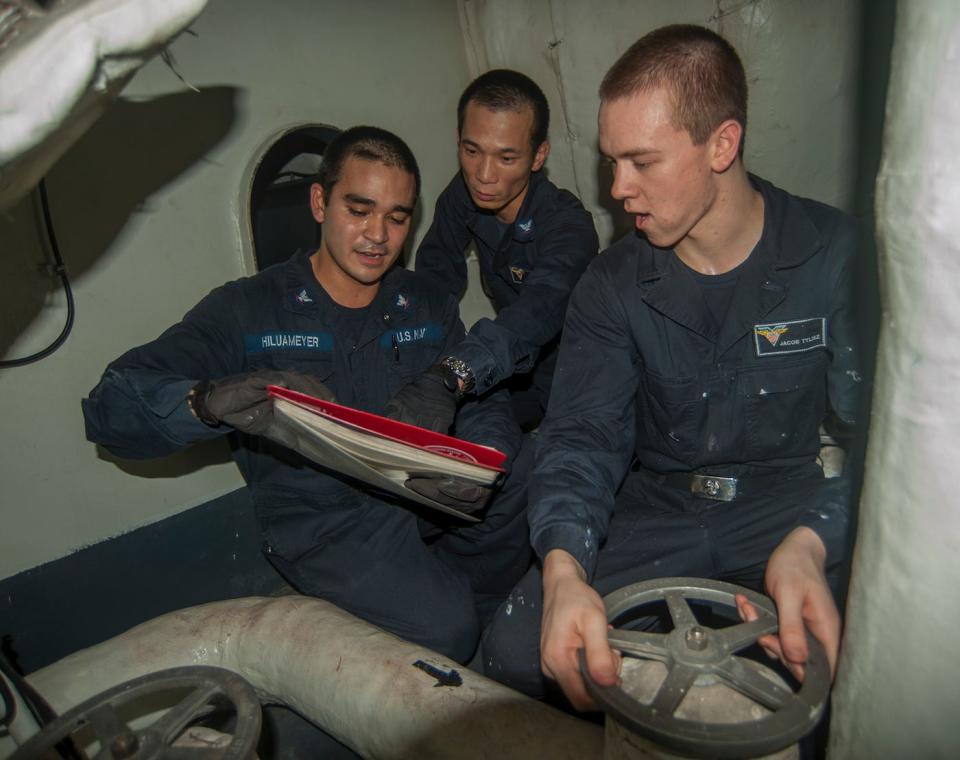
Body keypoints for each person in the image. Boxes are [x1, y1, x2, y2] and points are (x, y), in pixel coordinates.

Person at [482, 24, 867, 708]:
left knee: (861, 660)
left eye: (641, 162)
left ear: (722, 144)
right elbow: (580, 438)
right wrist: (565, 570)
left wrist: (815, 538)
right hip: (660, 509)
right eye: (610, 162)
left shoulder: (835, 257)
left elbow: (890, 444)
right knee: (516, 652)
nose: (617, 188)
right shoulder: (611, 284)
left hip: (787, 510)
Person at [82, 126, 530, 664]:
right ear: (320, 202)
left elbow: (484, 398)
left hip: (419, 489)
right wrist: (205, 401)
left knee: (529, 471)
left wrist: (480, 459)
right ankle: (454, 623)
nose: (377, 236)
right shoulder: (247, 309)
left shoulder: (426, 301)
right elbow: (111, 408)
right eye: (358, 210)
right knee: (446, 627)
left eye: (397, 217)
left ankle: (481, 618)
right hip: (324, 521)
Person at [391, 69, 598, 432]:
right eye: (472, 151)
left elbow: (538, 309)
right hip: (514, 368)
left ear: (538, 157)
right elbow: (435, 280)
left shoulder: (568, 226)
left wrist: (458, 371)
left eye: (506, 158)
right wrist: (407, 350)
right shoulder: (462, 196)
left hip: (584, 374)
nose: (483, 175)